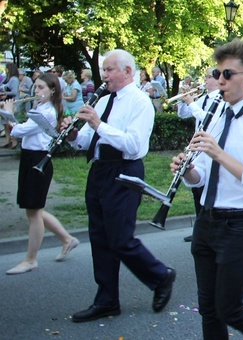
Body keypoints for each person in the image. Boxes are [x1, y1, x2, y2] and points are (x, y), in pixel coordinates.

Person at [172, 39, 243, 339]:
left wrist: (219, 153)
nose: (220, 81)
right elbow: (203, 178)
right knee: (208, 309)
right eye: (218, 74)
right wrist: (188, 171)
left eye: (228, 74)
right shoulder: (216, 114)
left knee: (230, 309)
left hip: (240, 224)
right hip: (207, 220)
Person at [62, 49, 175, 323]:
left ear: (127, 71)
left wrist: (99, 125)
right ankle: (107, 300)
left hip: (125, 171)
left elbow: (134, 145)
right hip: (100, 171)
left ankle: (161, 276)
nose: (105, 75)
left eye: (110, 69)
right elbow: (87, 140)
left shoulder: (139, 102)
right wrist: (73, 133)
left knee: (120, 238)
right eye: (104, 69)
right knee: (100, 238)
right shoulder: (102, 100)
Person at [4, 73, 79, 275]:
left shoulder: (47, 112)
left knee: (34, 211)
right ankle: (67, 239)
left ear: (53, 90)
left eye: (41, 88)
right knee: (33, 209)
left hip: (39, 160)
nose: (36, 91)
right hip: (30, 159)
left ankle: (30, 260)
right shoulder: (40, 108)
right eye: (35, 88)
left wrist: (9, 113)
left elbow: (18, 131)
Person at [177, 67, 221, 242]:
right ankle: (199, 229)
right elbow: (183, 114)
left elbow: (208, 120)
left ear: (218, 80)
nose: (205, 80)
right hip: (197, 148)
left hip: (210, 148)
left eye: (209, 77)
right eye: (206, 77)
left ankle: (208, 229)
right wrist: (183, 100)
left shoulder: (220, 99)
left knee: (205, 190)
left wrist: (191, 103)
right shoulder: (202, 99)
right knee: (196, 190)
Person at [2, 62, 20, 148]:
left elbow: (15, 92)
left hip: (12, 102)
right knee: (5, 123)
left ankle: (14, 141)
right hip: (5, 102)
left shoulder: (14, 79)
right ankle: (7, 140)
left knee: (10, 122)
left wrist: (5, 92)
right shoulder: (7, 78)